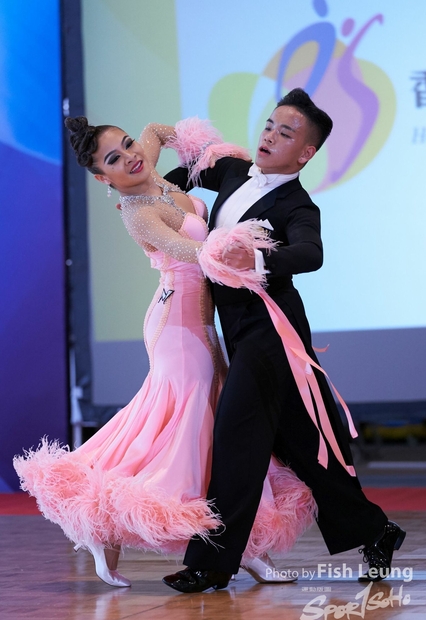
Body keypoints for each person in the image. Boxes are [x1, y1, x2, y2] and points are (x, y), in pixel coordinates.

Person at [13, 115, 316, 588]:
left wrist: (202, 148)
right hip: (176, 323)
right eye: (114, 159)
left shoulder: (146, 162)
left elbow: (155, 130)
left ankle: (239, 543)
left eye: (127, 144)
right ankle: (103, 518)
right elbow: (194, 252)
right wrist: (240, 245)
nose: (131, 156)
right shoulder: (137, 212)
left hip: (201, 322)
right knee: (194, 426)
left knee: (217, 426)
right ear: (103, 179)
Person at [161, 88, 406, 594]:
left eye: (286, 132)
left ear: (306, 153)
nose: (270, 135)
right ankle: (377, 530)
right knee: (306, 448)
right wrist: (142, 192)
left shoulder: (297, 204)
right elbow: (176, 179)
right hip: (239, 330)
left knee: (236, 436)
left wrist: (256, 259)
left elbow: (311, 253)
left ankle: (211, 564)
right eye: (270, 125)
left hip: (273, 334)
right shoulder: (234, 171)